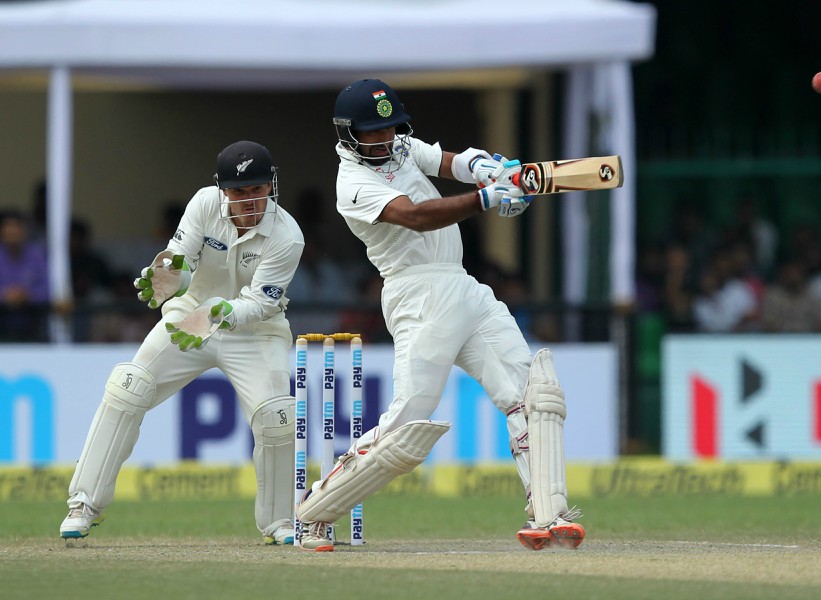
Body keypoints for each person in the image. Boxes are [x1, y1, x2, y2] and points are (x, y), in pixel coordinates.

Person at [293, 79, 584, 552]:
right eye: (373, 132)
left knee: (532, 393)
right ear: (348, 135)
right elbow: (417, 215)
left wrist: (484, 168)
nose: (385, 139)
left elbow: (446, 161)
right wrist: (485, 199)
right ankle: (313, 512)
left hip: (463, 285)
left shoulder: (401, 148)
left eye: (390, 128)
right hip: (418, 294)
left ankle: (549, 514)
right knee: (407, 426)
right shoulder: (353, 182)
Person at [59, 141, 305, 545]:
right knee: (128, 386)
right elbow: (181, 256)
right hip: (186, 319)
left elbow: (260, 303)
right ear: (223, 190)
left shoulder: (287, 236)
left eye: (258, 189)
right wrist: (169, 273)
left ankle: (278, 522)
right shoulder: (205, 203)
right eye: (239, 192)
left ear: (271, 185)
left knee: (277, 416)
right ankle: (84, 504)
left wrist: (215, 315)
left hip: (254, 331)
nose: (249, 200)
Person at [0, 209, 50, 341]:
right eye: (8, 227)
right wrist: (4, 295)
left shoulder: (37, 255)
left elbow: (48, 289)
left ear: (25, 230)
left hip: (32, 328)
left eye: (17, 227)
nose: (13, 232)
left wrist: (27, 295)